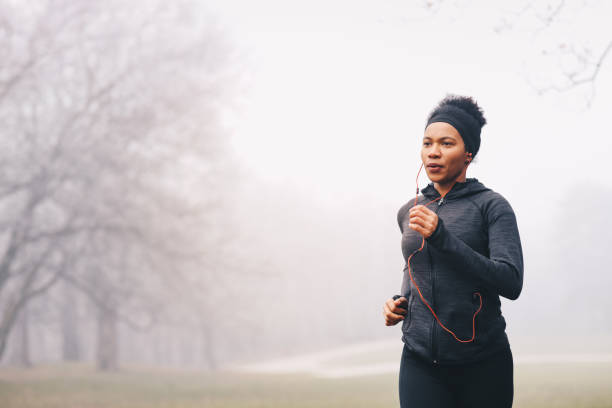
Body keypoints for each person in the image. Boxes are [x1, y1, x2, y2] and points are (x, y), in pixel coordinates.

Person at [383, 94, 524, 408]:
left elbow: (511, 281)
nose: (433, 152)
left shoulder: (492, 207)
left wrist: (442, 238)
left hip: (483, 364)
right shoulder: (409, 210)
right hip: (420, 361)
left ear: (468, 154)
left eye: (446, 144)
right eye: (427, 143)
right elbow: (415, 268)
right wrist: (399, 302)